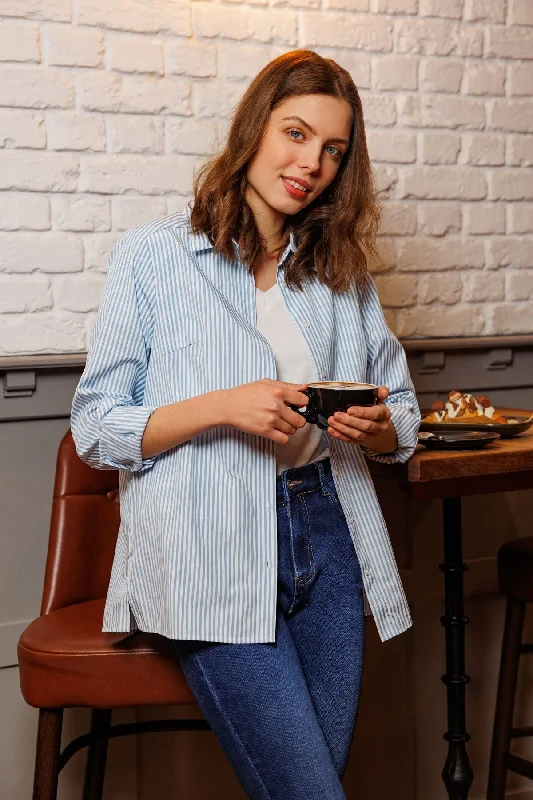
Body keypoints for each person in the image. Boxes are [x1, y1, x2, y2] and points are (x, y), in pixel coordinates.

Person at [71, 48, 420, 800]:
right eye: (296, 134)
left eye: (333, 150)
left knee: (310, 784)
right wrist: (223, 406)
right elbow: (96, 428)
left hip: (326, 530)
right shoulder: (154, 257)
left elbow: (404, 417)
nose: (312, 164)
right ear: (255, 128)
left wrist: (376, 429)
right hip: (209, 541)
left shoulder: (340, 272)